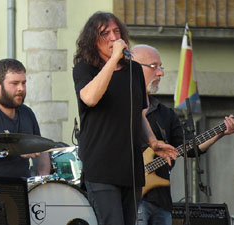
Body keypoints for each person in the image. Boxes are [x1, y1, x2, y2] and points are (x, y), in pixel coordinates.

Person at [72, 12, 177, 225]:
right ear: (93, 40)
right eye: (105, 33)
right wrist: (112, 60)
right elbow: (90, 98)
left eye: (116, 31)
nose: (113, 37)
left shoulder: (134, 70)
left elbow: (139, 115)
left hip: (130, 167)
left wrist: (152, 141)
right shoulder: (85, 69)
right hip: (101, 166)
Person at [131, 44, 234, 225]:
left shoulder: (165, 113)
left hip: (162, 202)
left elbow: (191, 147)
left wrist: (222, 131)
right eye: (154, 66)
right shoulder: (121, 109)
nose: (161, 73)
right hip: (133, 199)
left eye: (161, 67)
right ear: (134, 68)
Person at [0, 58, 50, 178]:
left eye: (24, 83)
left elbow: (41, 149)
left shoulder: (27, 113)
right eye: (15, 83)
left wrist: (43, 177)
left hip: (23, 187)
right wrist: (16, 147)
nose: (21, 88)